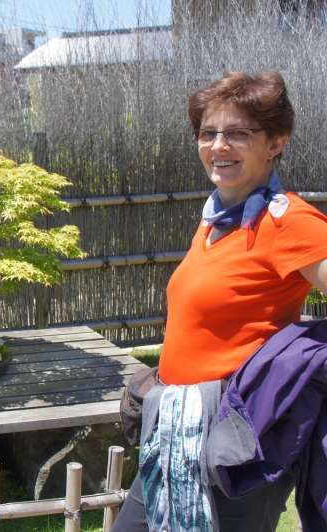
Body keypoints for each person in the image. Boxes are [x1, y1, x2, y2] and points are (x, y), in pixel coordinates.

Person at [113, 71, 327, 531]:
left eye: (237, 133)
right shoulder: (217, 220)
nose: (218, 145)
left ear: (275, 142)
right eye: (208, 133)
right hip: (174, 429)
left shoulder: (287, 222)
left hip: (234, 439)